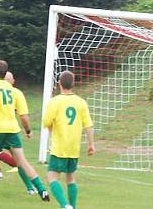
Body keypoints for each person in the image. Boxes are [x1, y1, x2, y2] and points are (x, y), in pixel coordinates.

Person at [0, 60, 49, 200]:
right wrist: (28, 130)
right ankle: (42, 190)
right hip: (12, 130)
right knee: (22, 162)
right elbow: (24, 116)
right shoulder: (14, 91)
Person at [42, 71, 95, 209]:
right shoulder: (81, 102)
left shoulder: (54, 102)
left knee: (52, 177)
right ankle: (73, 206)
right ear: (73, 84)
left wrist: (53, 130)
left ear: (59, 83)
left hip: (59, 147)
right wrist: (91, 145)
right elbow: (88, 125)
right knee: (71, 178)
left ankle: (65, 205)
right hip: (73, 148)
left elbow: (47, 122)